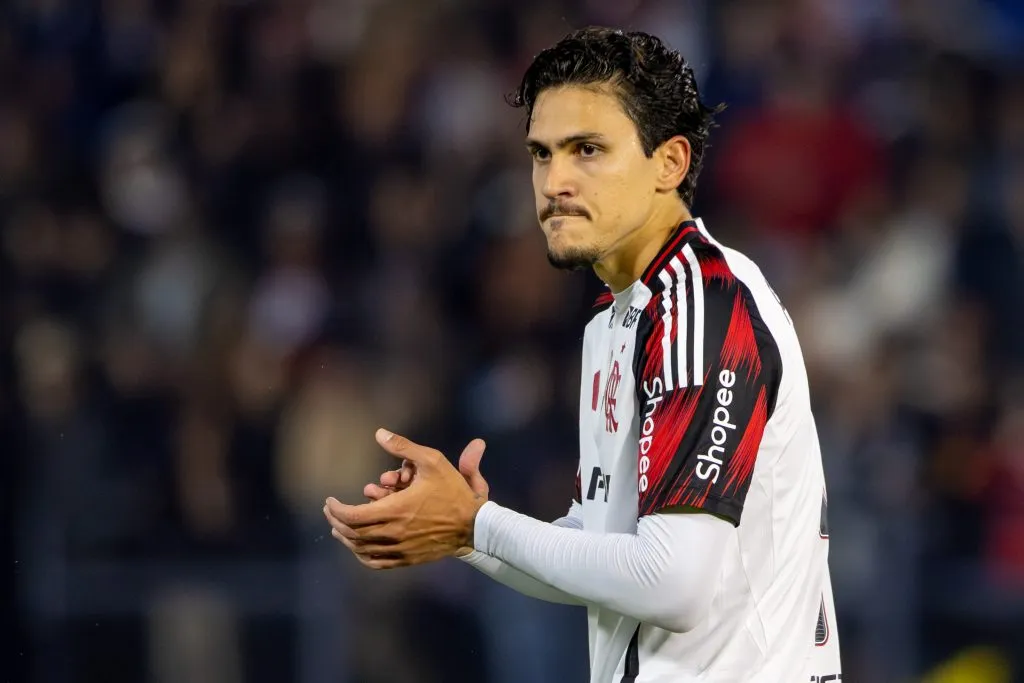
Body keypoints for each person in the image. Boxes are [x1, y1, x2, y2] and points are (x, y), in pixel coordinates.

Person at [324, 26, 842, 683]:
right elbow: (604, 549)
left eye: (587, 150)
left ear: (670, 163)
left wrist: (480, 524)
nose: (555, 181)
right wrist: (463, 531)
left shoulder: (702, 305)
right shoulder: (616, 317)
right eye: (541, 154)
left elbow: (674, 584)